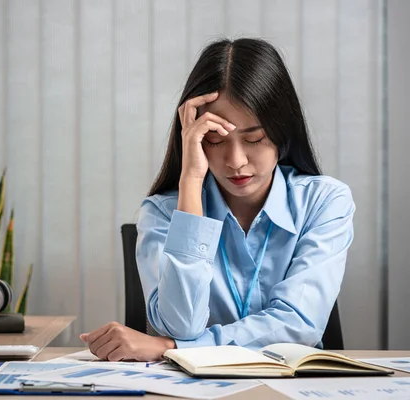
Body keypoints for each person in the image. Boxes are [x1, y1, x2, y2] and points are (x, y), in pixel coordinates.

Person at [79, 38, 355, 362]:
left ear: (282, 133)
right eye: (214, 139)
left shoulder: (325, 202)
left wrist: (174, 349)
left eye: (254, 138)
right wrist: (191, 182)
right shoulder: (161, 213)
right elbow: (180, 325)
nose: (236, 160)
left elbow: (298, 326)